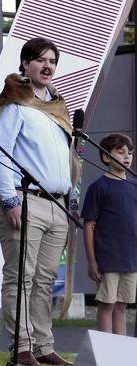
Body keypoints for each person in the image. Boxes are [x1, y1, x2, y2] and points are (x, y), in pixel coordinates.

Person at [0, 37, 77, 366]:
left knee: (45, 279)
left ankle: (43, 346)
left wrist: (70, 196)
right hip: (23, 200)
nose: (47, 66)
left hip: (56, 203)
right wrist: (9, 199)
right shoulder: (15, 102)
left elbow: (65, 159)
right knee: (20, 276)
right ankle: (21, 349)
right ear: (25, 64)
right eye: (40, 60)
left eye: (52, 60)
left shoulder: (57, 106)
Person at [81, 133, 137, 336]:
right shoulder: (98, 187)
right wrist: (92, 261)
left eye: (130, 153)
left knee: (122, 305)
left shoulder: (134, 185)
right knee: (107, 304)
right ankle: (105, 351)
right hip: (108, 258)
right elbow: (89, 225)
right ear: (106, 157)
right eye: (121, 152)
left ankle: (119, 353)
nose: (127, 156)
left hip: (130, 259)